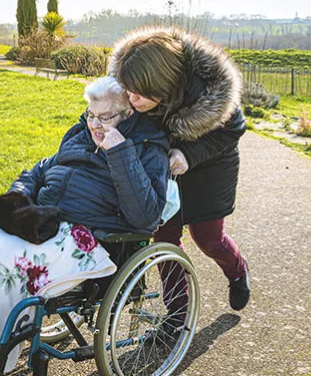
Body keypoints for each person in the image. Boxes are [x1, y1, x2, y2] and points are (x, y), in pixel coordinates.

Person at [0, 76, 170, 375]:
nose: (95, 124)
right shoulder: (79, 134)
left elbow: (146, 217)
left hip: (90, 241)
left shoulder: (147, 148)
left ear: (128, 114)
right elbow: (38, 170)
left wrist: (119, 152)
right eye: (91, 114)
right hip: (46, 226)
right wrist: (19, 202)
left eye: (105, 117)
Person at [108, 27, 251, 316]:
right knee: (164, 241)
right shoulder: (132, 79)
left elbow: (233, 130)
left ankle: (237, 271)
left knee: (209, 238)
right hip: (161, 167)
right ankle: (177, 316)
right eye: (128, 91)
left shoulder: (210, 92)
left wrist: (189, 154)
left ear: (164, 86)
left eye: (140, 94)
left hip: (211, 165)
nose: (132, 100)